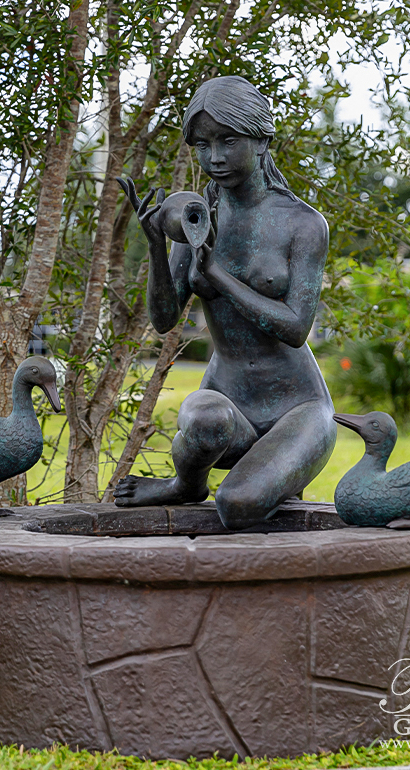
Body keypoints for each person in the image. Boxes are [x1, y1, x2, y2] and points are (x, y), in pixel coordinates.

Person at [114, 76, 336, 529]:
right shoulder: (199, 215)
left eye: (228, 141)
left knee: (237, 505)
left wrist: (215, 272)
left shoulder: (303, 225)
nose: (214, 158)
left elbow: (295, 327)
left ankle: (276, 471)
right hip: (228, 398)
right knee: (201, 420)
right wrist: (158, 245)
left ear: (262, 140)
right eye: (202, 144)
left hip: (297, 405)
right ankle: (186, 484)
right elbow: (163, 318)